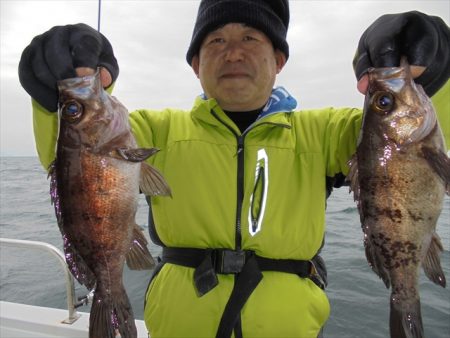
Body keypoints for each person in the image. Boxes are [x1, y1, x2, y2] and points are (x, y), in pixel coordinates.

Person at [18, 1, 449, 337]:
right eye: (216, 42)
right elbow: (75, 167)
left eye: (251, 38)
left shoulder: (328, 132)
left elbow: (414, 146)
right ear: (195, 64)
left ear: (279, 59)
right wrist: (50, 98)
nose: (234, 53)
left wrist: (435, 78)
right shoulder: (152, 130)